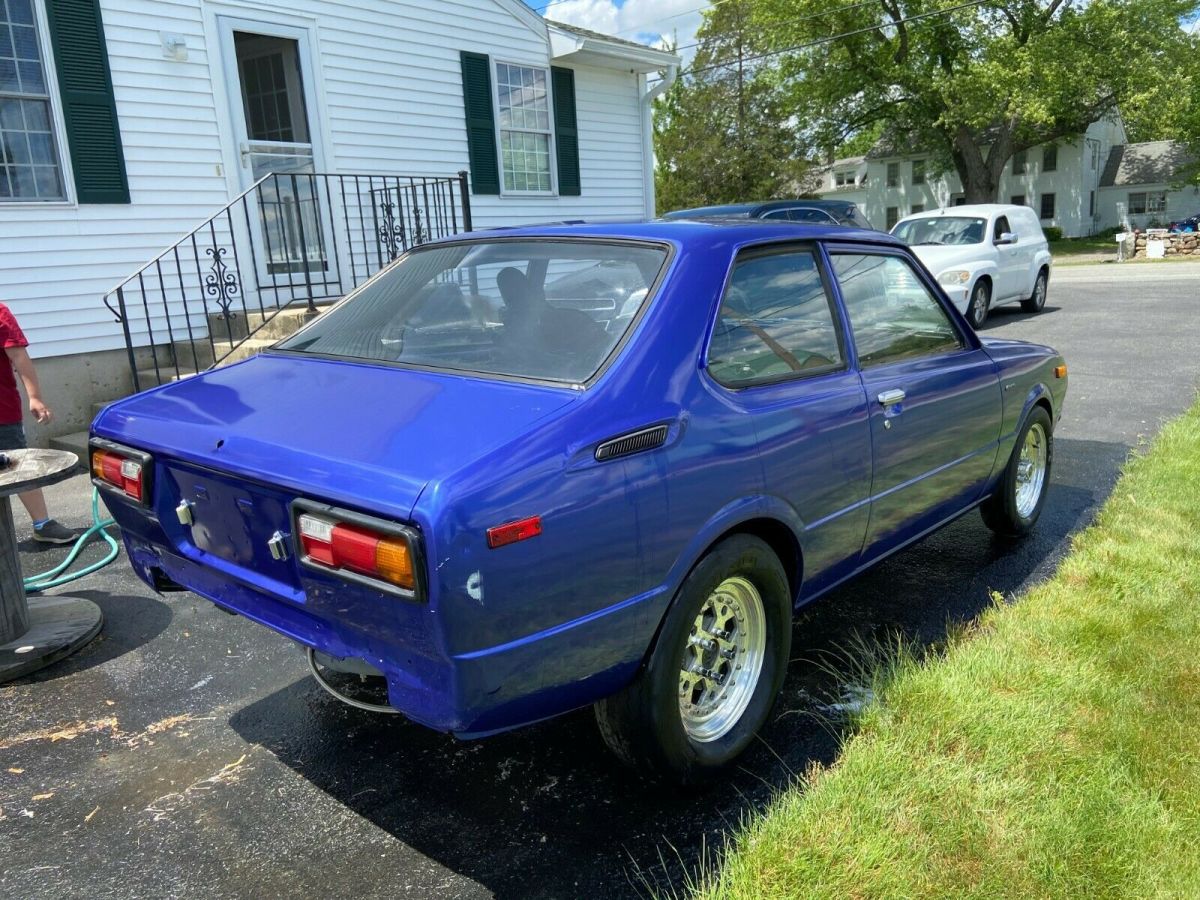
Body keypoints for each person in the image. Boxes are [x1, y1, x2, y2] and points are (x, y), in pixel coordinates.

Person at [0, 303, 81, 544]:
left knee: (18, 466)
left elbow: (19, 356)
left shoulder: (0, 313)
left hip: (2, 413)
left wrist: (34, 397)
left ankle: (42, 523)